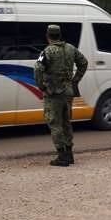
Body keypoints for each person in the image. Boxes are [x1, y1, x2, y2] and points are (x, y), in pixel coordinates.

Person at [34, 24, 88, 166]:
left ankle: (62, 156)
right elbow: (83, 63)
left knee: (54, 123)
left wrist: (42, 87)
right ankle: (69, 154)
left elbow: (37, 69)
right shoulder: (70, 48)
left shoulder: (47, 51)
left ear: (48, 36)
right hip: (68, 92)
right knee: (66, 123)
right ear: (59, 35)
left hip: (53, 94)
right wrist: (75, 80)